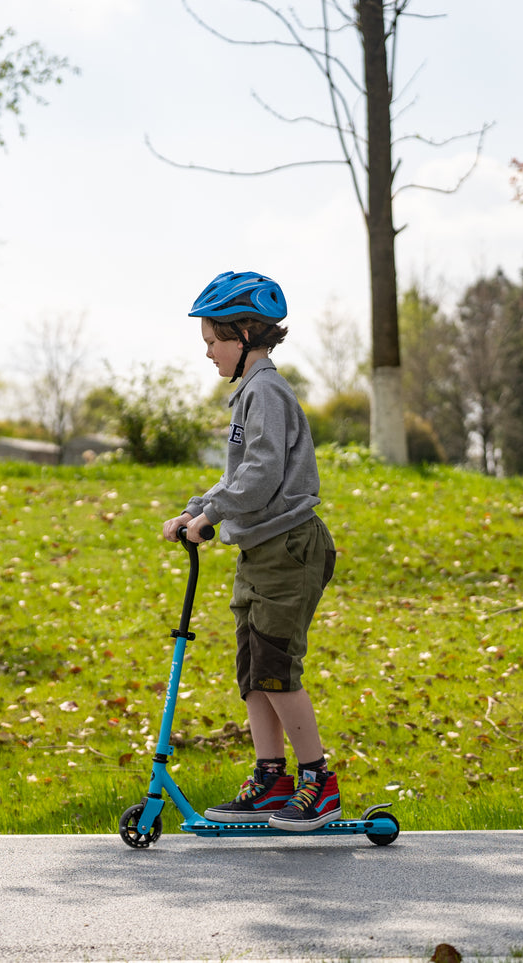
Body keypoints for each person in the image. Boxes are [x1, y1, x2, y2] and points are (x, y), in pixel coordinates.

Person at [161, 269, 340, 832]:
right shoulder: (251, 393)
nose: (208, 353)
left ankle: (318, 781)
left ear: (242, 335)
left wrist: (213, 515)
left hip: (288, 548)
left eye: (212, 341)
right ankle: (271, 779)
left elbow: (260, 477)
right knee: (254, 668)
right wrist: (198, 507)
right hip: (263, 550)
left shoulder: (265, 391)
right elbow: (241, 474)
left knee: (277, 667)